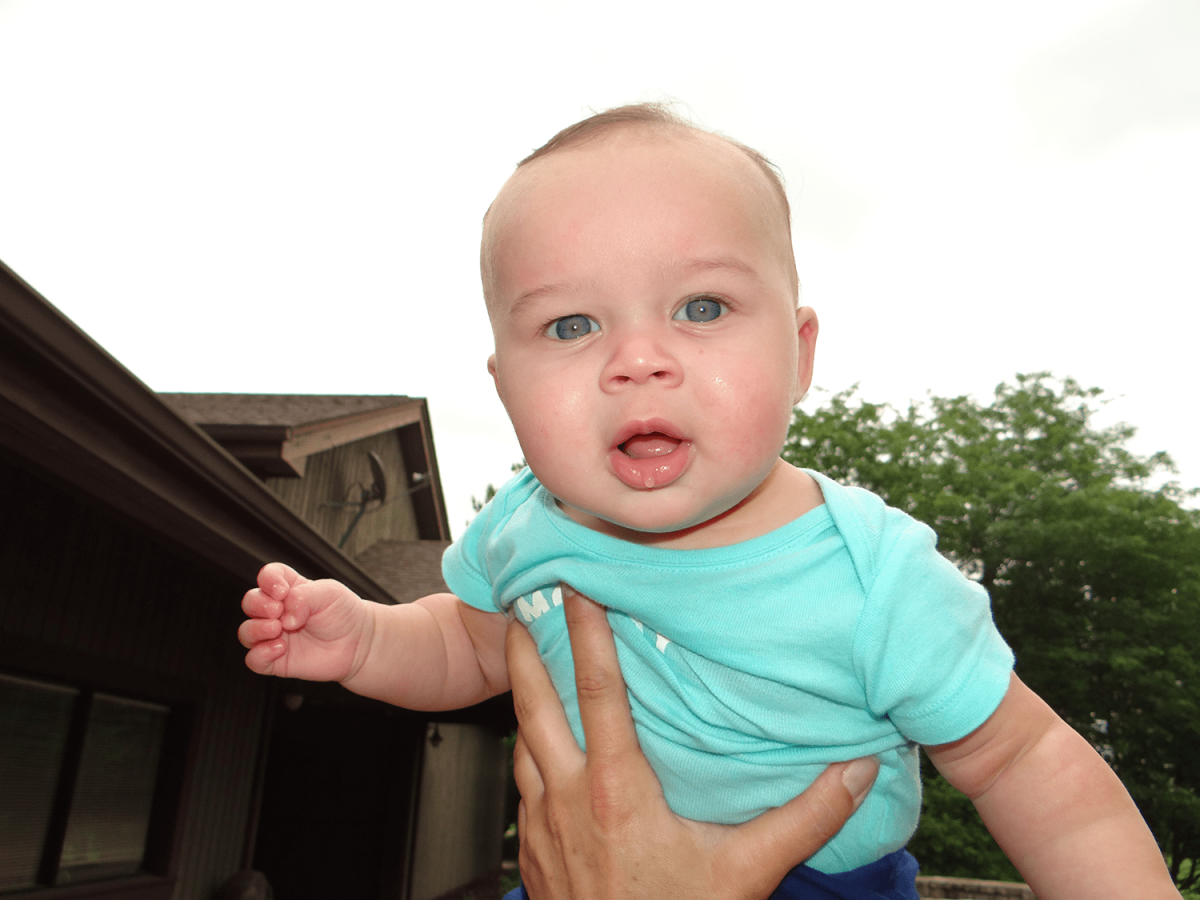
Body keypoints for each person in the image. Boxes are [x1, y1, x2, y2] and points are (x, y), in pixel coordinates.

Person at [239, 104, 1181, 898]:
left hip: (827, 883)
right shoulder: (524, 529)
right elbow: (467, 643)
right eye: (571, 324)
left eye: (701, 308)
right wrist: (365, 639)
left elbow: (1027, 763)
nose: (638, 358)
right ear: (504, 389)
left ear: (801, 355)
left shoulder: (870, 572)